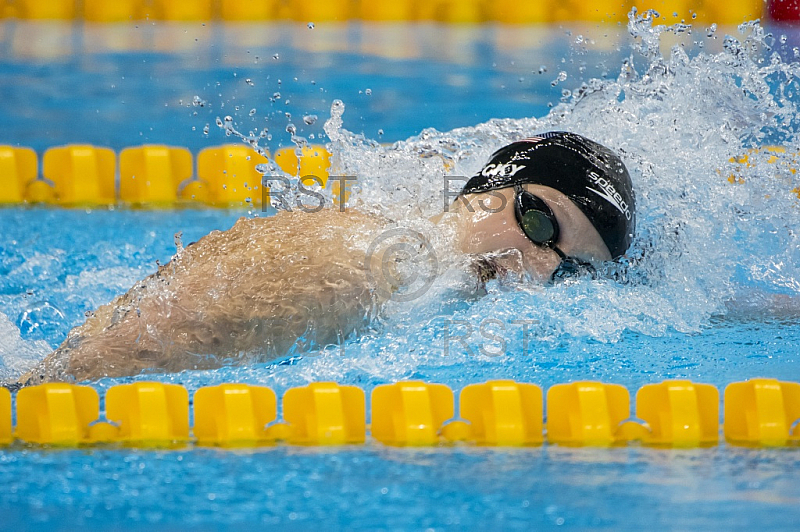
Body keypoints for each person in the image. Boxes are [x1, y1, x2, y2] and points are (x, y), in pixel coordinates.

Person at [12, 131, 635, 386]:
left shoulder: (415, 253)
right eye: (539, 221)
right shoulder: (363, 265)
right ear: (489, 189)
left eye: (570, 267)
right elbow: (134, 352)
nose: (541, 266)